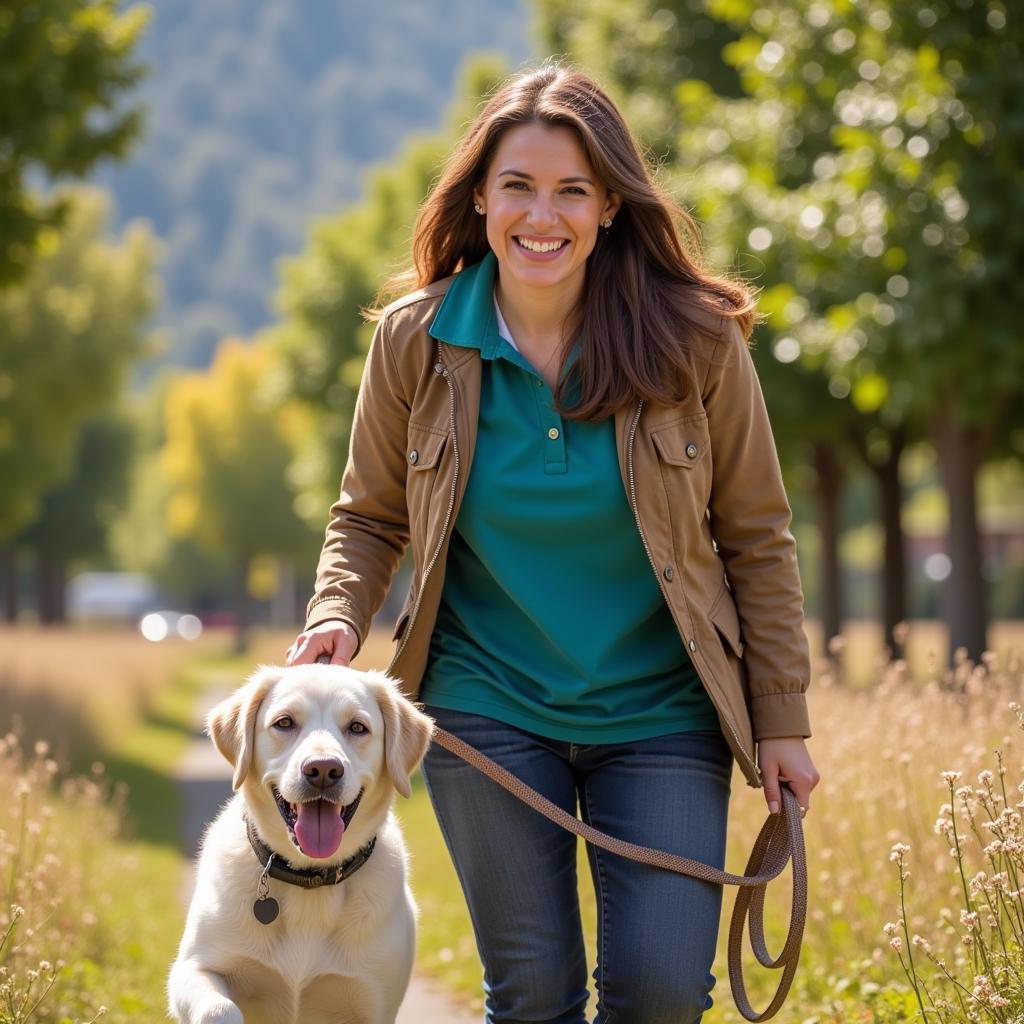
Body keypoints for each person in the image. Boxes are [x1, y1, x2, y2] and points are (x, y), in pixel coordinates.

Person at [287, 60, 819, 1024]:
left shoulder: (695, 342)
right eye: (520, 186)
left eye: (573, 190)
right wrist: (337, 614)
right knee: (532, 995)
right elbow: (368, 516)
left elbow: (756, 536)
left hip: (663, 709)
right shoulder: (416, 340)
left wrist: (782, 714)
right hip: (485, 706)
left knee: (660, 992)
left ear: (611, 204)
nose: (545, 215)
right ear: (482, 196)